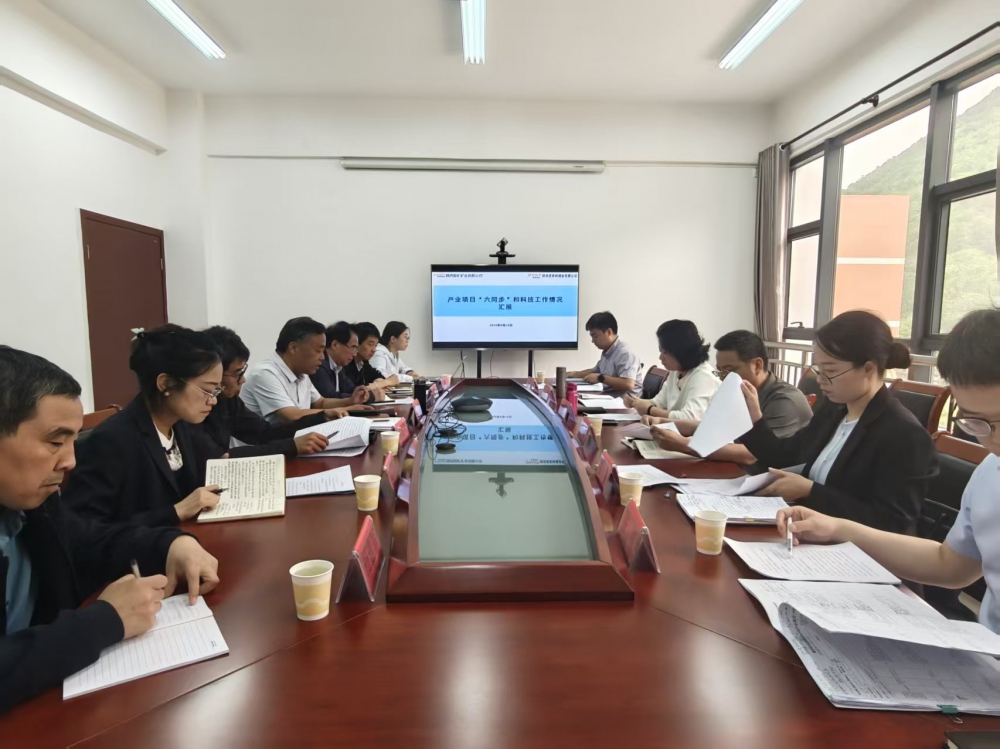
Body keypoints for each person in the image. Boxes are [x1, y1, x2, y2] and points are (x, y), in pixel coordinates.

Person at [0, 346, 219, 710]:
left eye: (72, 441)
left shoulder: (34, 503)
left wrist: (170, 544)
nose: (70, 461)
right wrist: (103, 622)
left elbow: (89, 538)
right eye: (55, 442)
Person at [776, 309, 1000, 632]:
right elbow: (951, 565)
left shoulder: (902, 432)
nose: (994, 441)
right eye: (976, 422)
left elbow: (895, 519)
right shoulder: (990, 474)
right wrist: (836, 528)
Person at [739, 310, 936, 534]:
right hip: (808, 532)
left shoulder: (904, 435)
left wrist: (811, 491)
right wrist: (754, 417)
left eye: (830, 371)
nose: (820, 380)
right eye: (819, 370)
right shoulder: (835, 409)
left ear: (869, 368)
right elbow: (784, 455)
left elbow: (892, 522)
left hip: (854, 549)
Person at [65, 326, 231, 527]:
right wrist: (176, 511)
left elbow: (212, 465)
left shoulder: (183, 425)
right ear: (165, 383)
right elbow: (85, 528)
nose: (213, 400)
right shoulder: (112, 441)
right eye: (207, 390)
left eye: (216, 391)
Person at [651, 330, 813, 464]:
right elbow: (715, 427)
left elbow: (754, 454)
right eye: (720, 371)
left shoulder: (784, 401)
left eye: (729, 371)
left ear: (757, 365)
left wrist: (685, 445)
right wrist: (665, 423)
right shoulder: (739, 390)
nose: (724, 378)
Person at [200, 326, 344, 459]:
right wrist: (292, 446)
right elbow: (220, 457)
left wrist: (321, 417)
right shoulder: (195, 411)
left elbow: (264, 432)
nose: (243, 380)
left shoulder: (228, 400)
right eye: (238, 373)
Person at [240, 317, 371, 424]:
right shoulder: (265, 373)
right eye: (318, 351)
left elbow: (320, 403)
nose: (322, 357)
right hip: (263, 447)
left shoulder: (302, 372)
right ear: (293, 348)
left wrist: (350, 401)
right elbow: (292, 416)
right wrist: (340, 411)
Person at [624, 320, 720, 419]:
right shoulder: (676, 372)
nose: (660, 357)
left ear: (681, 352)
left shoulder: (703, 376)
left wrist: (649, 409)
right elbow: (658, 402)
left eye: (665, 352)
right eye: (660, 351)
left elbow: (689, 418)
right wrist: (635, 402)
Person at [566, 311, 642, 398]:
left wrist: (600, 378)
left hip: (625, 402)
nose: (593, 341)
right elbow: (595, 371)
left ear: (609, 332)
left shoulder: (626, 353)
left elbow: (628, 384)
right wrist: (573, 374)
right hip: (610, 396)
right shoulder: (607, 351)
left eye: (595, 336)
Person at [311, 322, 382, 403]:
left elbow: (351, 389)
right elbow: (330, 397)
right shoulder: (319, 364)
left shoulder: (338, 366)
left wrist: (367, 393)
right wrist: (369, 396)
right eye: (352, 348)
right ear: (335, 345)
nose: (355, 354)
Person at [343, 322, 396, 391]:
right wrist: (376, 385)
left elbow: (394, 379)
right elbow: (355, 390)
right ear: (357, 343)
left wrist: (380, 383)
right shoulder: (346, 363)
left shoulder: (364, 363)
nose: (374, 350)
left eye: (376, 345)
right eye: (370, 344)